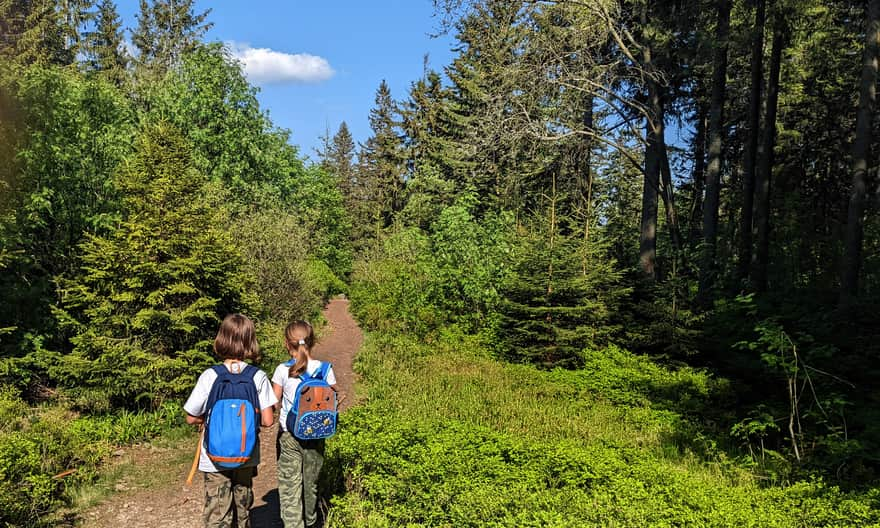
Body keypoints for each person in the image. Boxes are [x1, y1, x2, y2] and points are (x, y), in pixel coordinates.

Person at [184, 314, 277, 528]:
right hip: (246, 454)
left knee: (217, 511)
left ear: (221, 339)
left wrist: (207, 419)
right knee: (242, 507)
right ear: (250, 341)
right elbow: (268, 420)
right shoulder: (258, 376)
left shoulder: (210, 375)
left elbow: (191, 417)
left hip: (213, 457)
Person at [272, 320, 337, 528]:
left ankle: (293, 524)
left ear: (286, 344)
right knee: (312, 484)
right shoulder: (325, 369)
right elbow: (334, 396)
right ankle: (311, 521)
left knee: (290, 486)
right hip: (317, 435)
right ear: (313, 341)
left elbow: (274, 402)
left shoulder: (283, 370)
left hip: (289, 436)